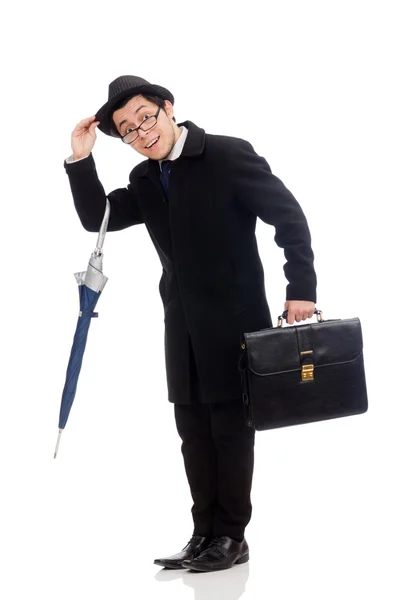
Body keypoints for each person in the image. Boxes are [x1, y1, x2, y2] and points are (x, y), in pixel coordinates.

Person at [64, 75, 317, 573]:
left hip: (235, 320)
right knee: (192, 430)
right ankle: (203, 532)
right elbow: (98, 216)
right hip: (179, 323)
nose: (141, 132)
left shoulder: (227, 155)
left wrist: (301, 289)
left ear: (168, 107)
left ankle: (232, 536)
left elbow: (289, 218)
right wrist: (80, 158)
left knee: (229, 428)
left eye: (146, 118)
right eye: (128, 131)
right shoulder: (144, 180)